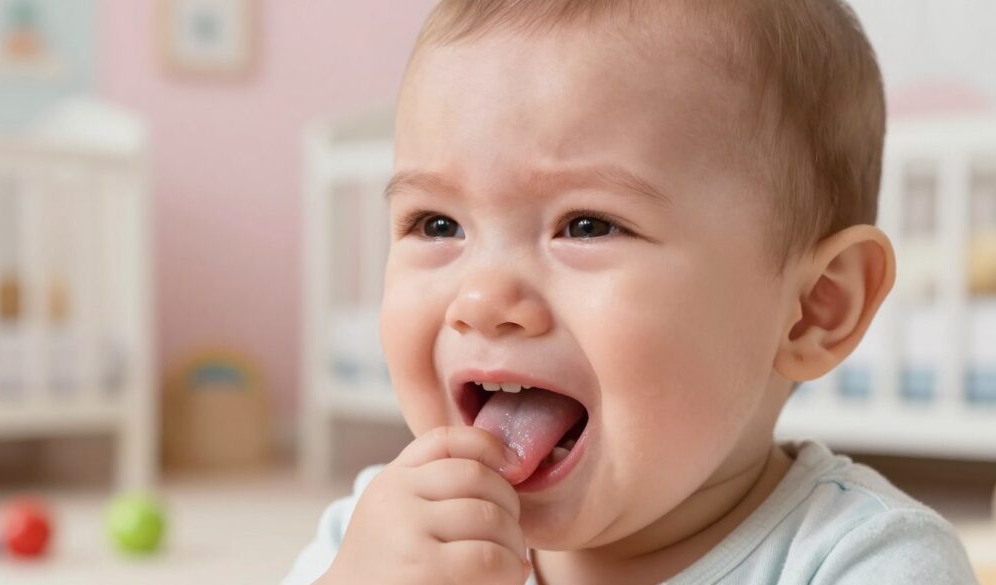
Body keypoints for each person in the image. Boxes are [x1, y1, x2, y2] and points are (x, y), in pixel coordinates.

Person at [284, 1, 979, 583]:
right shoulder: (377, 537)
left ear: (815, 308)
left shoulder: (866, 560)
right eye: (437, 223)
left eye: (586, 225)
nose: (483, 297)